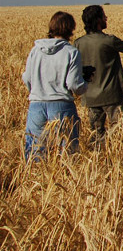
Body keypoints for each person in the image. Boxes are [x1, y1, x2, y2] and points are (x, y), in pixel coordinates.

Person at [22, 11, 91, 161]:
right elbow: (74, 84)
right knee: (66, 151)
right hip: (61, 105)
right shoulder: (71, 52)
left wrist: (37, 93)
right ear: (71, 29)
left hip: (36, 105)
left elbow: (27, 77)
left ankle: (37, 181)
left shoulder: (35, 50)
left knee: (35, 150)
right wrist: (86, 84)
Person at [74, 5, 123, 148]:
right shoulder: (109, 40)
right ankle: (117, 156)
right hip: (112, 95)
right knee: (119, 129)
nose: (106, 18)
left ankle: (99, 160)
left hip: (90, 96)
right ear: (98, 20)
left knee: (96, 133)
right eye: (104, 16)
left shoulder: (78, 43)